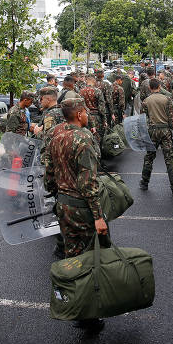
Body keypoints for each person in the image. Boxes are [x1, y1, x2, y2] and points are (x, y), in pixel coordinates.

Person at [43, 98, 108, 331]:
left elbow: (49, 173)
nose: (88, 115)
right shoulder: (84, 138)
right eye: (86, 113)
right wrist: (98, 216)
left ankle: (77, 307)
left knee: (73, 256)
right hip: (81, 207)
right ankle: (90, 315)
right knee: (91, 258)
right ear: (79, 114)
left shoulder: (56, 137)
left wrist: (56, 194)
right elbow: (88, 182)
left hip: (64, 204)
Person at [34, 86, 68, 259]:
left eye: (41, 99)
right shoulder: (64, 110)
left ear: (48, 98)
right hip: (67, 157)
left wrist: (37, 131)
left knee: (54, 196)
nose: (40, 101)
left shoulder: (49, 115)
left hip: (53, 160)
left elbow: (48, 139)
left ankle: (62, 243)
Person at [140, 78, 173, 196]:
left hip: (152, 131)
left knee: (149, 157)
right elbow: (172, 118)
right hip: (165, 131)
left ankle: (144, 182)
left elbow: (143, 119)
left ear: (149, 88)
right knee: (169, 159)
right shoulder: (167, 99)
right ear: (159, 87)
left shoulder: (146, 101)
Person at [79, 74, 108, 149]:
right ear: (94, 81)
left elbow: (80, 106)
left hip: (85, 117)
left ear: (86, 81)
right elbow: (102, 108)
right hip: (96, 117)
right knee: (97, 138)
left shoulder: (81, 91)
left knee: (87, 137)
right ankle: (98, 156)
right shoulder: (97, 91)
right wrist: (104, 119)